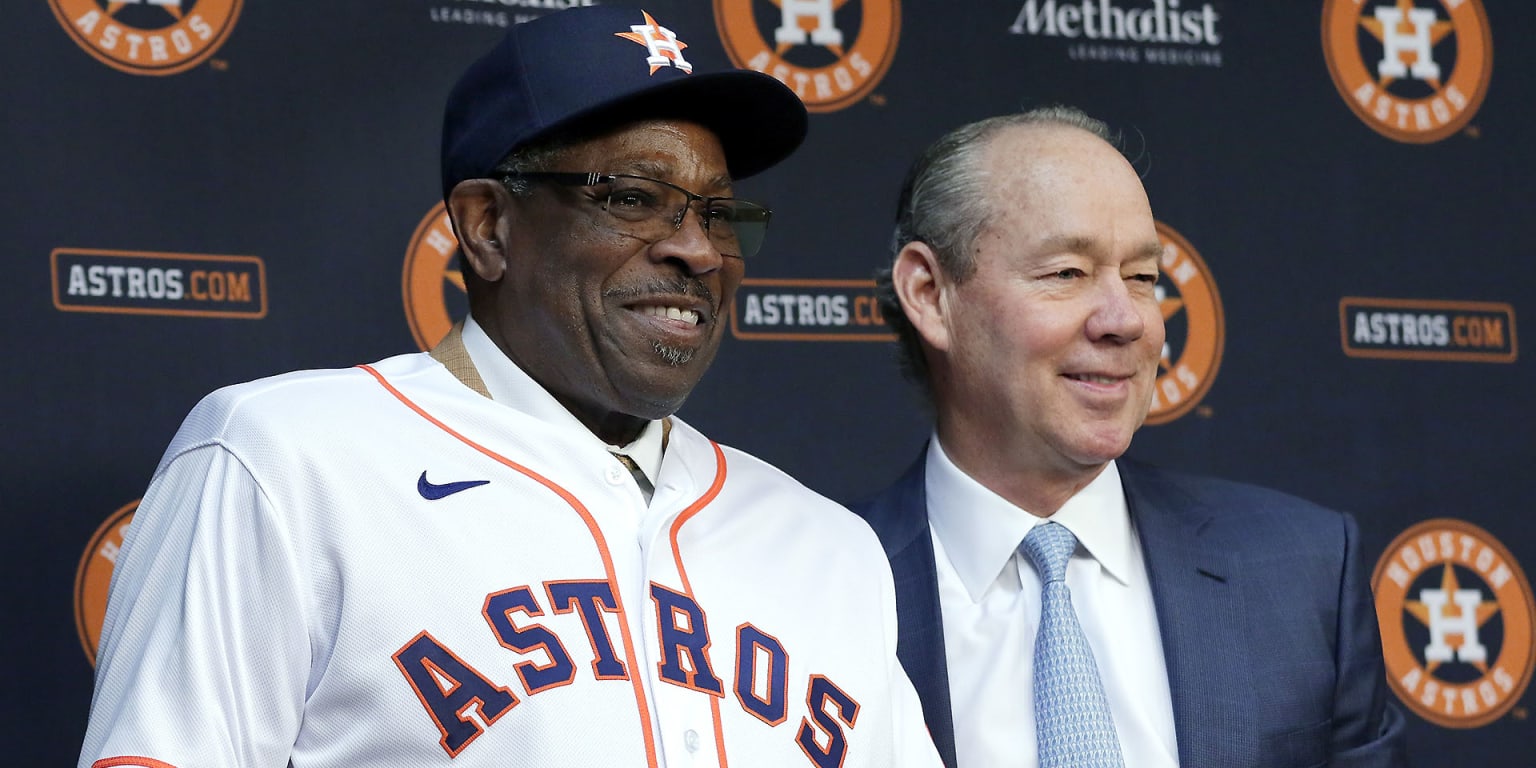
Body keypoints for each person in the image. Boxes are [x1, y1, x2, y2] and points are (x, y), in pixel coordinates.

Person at [78, 7, 942, 768]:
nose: (699, 249)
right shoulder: (288, 460)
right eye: (636, 198)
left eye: (718, 213)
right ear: (488, 227)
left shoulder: (828, 546)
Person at [852, 105, 1407, 768]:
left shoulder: (1304, 571)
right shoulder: (820, 587)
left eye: (1142, 278)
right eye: (1067, 273)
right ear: (929, 294)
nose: (1126, 320)